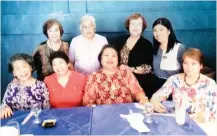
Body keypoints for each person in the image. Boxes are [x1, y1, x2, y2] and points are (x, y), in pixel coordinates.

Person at [151, 48, 217, 122]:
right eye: (185, 63)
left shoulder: (210, 84)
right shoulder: (174, 79)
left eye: (193, 63)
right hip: (178, 122)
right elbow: (158, 96)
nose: (189, 67)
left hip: (201, 124)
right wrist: (154, 101)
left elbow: (214, 112)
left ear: (201, 66)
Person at [83, 45, 149, 106]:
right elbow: (88, 102)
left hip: (127, 113)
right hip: (104, 115)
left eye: (113, 56)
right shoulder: (93, 77)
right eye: (106, 55)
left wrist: (143, 100)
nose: (110, 58)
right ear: (100, 59)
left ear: (118, 59)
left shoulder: (125, 73)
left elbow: (137, 92)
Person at [115, 13, 153, 98]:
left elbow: (149, 67)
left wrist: (131, 69)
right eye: (133, 24)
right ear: (128, 26)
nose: (135, 27)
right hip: (120, 81)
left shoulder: (147, 44)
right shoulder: (120, 40)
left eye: (139, 24)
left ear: (142, 27)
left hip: (139, 83)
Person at [1, 53, 50, 119]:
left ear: (31, 68)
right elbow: (4, 104)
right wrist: (5, 108)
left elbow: (47, 109)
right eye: (18, 68)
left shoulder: (41, 85)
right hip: (14, 123)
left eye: (24, 66)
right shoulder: (11, 85)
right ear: (14, 73)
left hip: (35, 122)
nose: (22, 71)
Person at [152, 17, 186, 93]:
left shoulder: (179, 48)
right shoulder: (155, 48)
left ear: (169, 31)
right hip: (155, 86)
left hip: (174, 87)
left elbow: (186, 71)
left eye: (161, 29)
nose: (158, 33)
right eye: (155, 30)